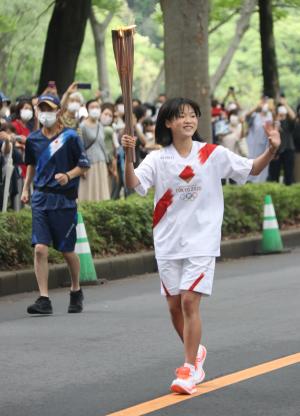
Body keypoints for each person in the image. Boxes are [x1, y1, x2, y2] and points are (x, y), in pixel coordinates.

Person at [121, 97, 280, 395]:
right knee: (173, 307)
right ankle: (196, 352)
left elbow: (253, 169)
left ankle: (189, 368)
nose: (189, 120)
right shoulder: (158, 159)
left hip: (202, 240)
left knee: (189, 302)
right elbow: (133, 184)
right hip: (167, 241)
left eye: (193, 115)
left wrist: (271, 149)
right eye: (181, 116)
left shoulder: (212, 154)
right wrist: (128, 155)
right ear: (168, 122)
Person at [21, 94, 90, 315]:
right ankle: (44, 298)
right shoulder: (33, 140)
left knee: (66, 250)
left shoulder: (70, 137)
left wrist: (68, 176)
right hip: (41, 198)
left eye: (49, 109)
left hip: (64, 199)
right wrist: (25, 189)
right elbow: (31, 165)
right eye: (41, 109)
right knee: (40, 248)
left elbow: (84, 165)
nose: (44, 113)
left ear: (58, 111)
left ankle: (76, 289)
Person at [78, 99, 110, 202]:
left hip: (101, 162)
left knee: (102, 192)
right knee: (89, 193)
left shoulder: (100, 126)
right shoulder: (82, 126)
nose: (95, 109)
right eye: (92, 107)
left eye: (97, 107)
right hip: (89, 164)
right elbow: (80, 147)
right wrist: (81, 166)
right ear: (87, 109)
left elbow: (103, 145)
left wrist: (108, 161)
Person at [268, 99, 296, 185]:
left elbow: (293, 116)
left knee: (288, 175)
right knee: (274, 175)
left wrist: (286, 104)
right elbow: (271, 131)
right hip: (276, 151)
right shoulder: (275, 122)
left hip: (288, 149)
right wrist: (276, 118)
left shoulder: (289, 122)